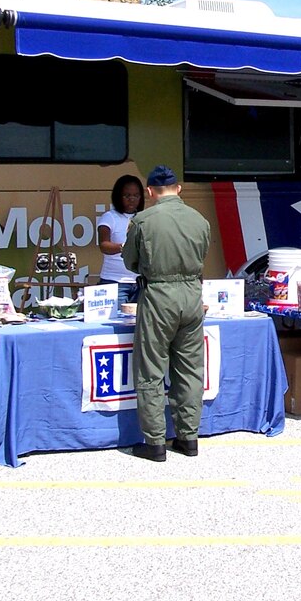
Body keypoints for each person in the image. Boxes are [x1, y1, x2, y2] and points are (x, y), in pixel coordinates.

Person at [122, 165, 211, 461]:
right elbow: (202, 257)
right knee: (189, 370)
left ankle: (156, 443)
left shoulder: (143, 220)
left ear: (149, 192)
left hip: (159, 295)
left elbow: (130, 262)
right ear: (179, 189)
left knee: (151, 370)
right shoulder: (199, 220)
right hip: (192, 295)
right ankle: (189, 439)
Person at [97, 174, 144, 307]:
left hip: (140, 282)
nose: (132, 199)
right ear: (118, 196)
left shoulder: (143, 218)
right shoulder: (109, 217)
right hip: (115, 282)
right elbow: (104, 245)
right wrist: (125, 247)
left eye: (136, 195)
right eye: (127, 196)